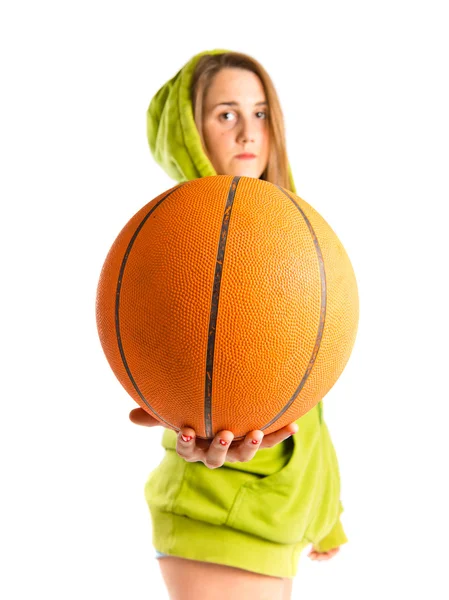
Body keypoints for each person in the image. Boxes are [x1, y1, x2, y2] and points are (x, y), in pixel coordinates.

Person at [129, 49, 348, 600]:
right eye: (226, 113)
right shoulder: (178, 238)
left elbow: (308, 403)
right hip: (215, 514)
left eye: (261, 112)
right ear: (188, 130)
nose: (249, 130)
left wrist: (327, 515)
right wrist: (186, 422)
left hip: (275, 515)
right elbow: (176, 364)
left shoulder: (286, 231)